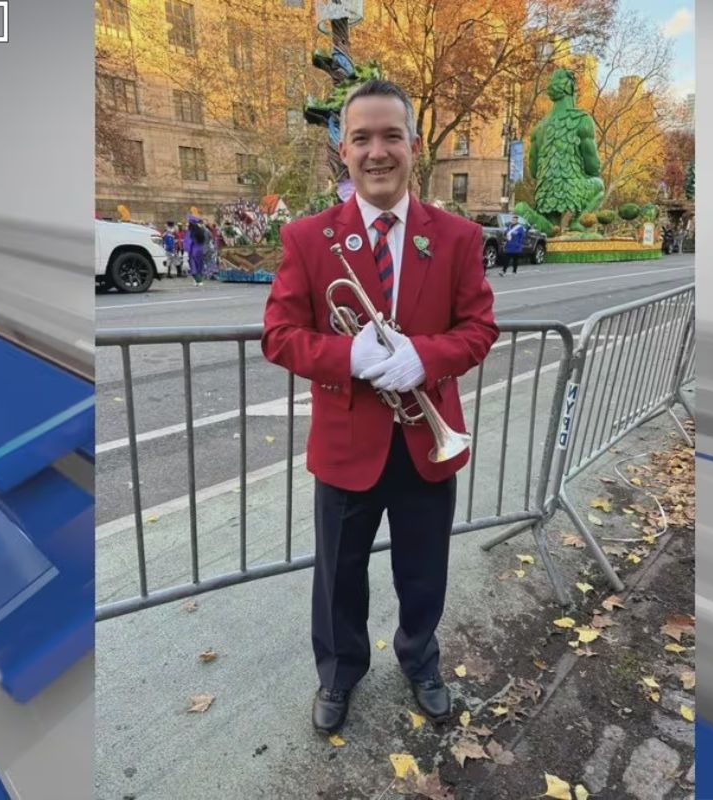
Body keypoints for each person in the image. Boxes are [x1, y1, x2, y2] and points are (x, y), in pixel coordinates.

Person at [261, 79, 498, 736]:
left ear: (414, 146)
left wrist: (425, 357)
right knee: (338, 576)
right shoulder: (310, 239)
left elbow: (478, 329)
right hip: (346, 444)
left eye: (390, 136)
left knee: (424, 570)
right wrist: (350, 358)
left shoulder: (455, 237)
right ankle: (339, 673)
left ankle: (420, 661)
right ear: (343, 150)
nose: (376, 151)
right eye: (360, 137)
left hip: (429, 441)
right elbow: (278, 337)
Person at [187, 215, 207, 286]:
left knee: (193, 266)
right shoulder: (201, 231)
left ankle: (198, 281)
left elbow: (188, 242)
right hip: (201, 249)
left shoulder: (191, 232)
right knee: (200, 265)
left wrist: (188, 250)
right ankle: (199, 281)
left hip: (194, 249)